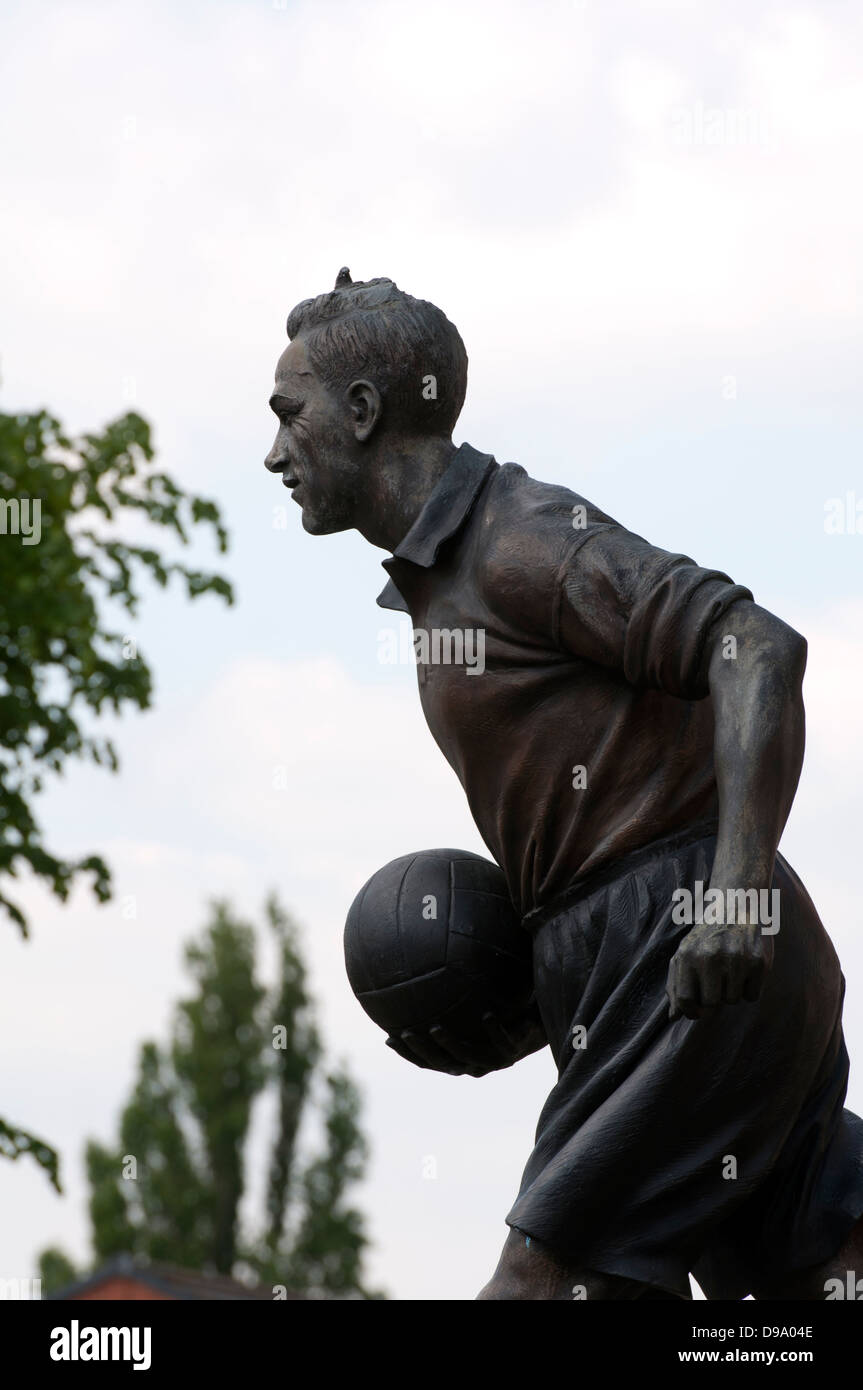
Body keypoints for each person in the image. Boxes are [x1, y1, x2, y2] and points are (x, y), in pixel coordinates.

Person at [264, 269, 863, 1300]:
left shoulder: (517, 539)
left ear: (362, 412)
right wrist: (533, 983)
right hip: (655, 963)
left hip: (679, 956)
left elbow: (752, 646)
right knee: (809, 1283)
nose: (274, 452)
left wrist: (732, 891)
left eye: (290, 415)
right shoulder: (445, 577)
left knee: (544, 1286)